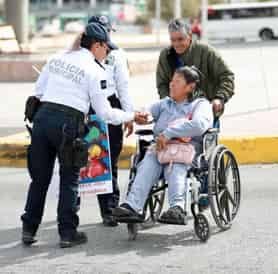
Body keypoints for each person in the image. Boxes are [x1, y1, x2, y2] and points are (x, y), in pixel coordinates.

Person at [20, 22, 147, 248]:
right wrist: (130, 116)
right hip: (68, 124)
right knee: (69, 179)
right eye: (106, 47)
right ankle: (67, 234)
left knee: (39, 179)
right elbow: (105, 112)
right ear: (96, 45)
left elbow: (38, 92)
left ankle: (29, 229)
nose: (107, 52)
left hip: (42, 120)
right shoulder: (95, 70)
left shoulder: (57, 57)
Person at [112, 66, 213, 225]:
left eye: (177, 82)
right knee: (146, 165)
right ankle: (132, 206)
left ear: (190, 87)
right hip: (159, 148)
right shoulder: (166, 103)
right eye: (172, 81)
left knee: (175, 167)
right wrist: (142, 116)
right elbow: (149, 111)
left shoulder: (200, 105)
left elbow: (200, 125)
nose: (171, 84)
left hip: (185, 151)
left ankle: (177, 208)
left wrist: (169, 133)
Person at [87, 15, 134, 227]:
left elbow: (123, 87)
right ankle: (108, 210)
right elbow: (124, 86)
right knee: (100, 159)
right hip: (94, 105)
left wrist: (128, 114)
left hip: (104, 104)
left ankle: (107, 209)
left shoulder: (116, 55)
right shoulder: (87, 54)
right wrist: (129, 114)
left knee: (99, 158)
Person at [156, 19, 234, 118]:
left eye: (180, 39)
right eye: (173, 40)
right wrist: (170, 105)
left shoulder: (207, 52)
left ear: (190, 36)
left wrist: (219, 98)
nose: (176, 44)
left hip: (206, 111)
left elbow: (227, 76)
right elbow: (162, 84)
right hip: (176, 114)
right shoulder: (166, 55)